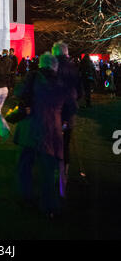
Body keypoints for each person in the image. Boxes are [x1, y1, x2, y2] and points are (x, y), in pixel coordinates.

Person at [14, 52, 77, 218]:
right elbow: (72, 106)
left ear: (41, 64)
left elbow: (19, 92)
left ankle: (26, 196)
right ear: (55, 66)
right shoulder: (62, 84)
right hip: (51, 130)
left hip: (30, 127)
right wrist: (63, 120)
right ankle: (49, 206)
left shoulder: (33, 77)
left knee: (25, 166)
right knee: (48, 170)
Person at [52, 41, 82, 195]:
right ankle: (64, 174)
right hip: (70, 109)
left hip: (57, 109)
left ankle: (56, 172)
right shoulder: (73, 68)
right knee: (66, 143)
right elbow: (80, 90)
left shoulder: (54, 67)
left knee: (54, 142)